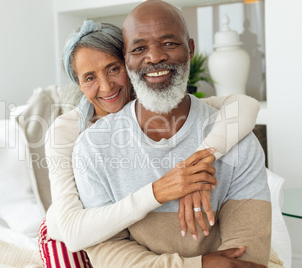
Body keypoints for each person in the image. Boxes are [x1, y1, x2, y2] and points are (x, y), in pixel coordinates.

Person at [39, 18, 261, 268]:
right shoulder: (66, 131)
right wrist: (159, 191)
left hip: (132, 233)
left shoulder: (160, 108)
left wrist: (199, 161)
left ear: (129, 64)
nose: (106, 86)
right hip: (70, 237)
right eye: (89, 77)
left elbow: (244, 105)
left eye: (113, 69)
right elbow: (73, 231)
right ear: (79, 83)